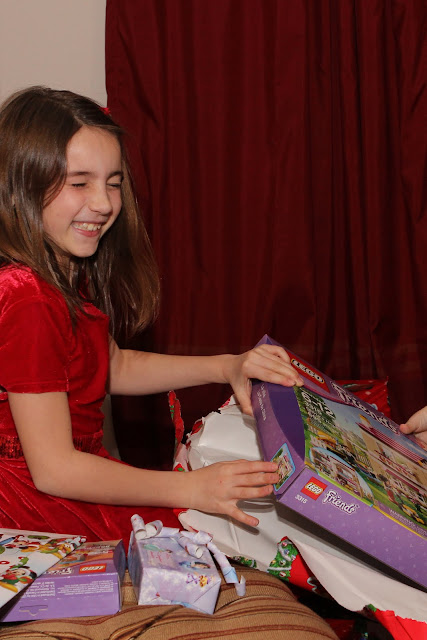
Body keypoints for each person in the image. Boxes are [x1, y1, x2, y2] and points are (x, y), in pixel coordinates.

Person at [0, 86, 304, 547]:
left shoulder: (56, 274)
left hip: (68, 481)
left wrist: (227, 365)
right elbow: (55, 469)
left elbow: (113, 365)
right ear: (21, 185)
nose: (104, 203)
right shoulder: (26, 296)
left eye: (113, 182)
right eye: (80, 183)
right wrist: (190, 489)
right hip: (35, 507)